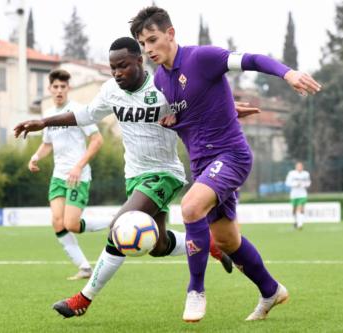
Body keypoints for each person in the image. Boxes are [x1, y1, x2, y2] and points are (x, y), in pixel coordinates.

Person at [14, 37, 259, 318]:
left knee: (121, 227)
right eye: (112, 68)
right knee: (157, 245)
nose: (117, 72)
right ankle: (209, 244)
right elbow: (84, 114)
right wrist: (43, 122)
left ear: (139, 61)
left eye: (123, 66)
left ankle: (84, 299)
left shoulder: (163, 87)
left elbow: (198, 103)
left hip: (165, 174)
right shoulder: (110, 91)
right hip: (135, 176)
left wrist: (231, 108)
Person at [129, 6, 321, 322]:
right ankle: (271, 290)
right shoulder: (161, 80)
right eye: (143, 44)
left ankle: (195, 291)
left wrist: (288, 73)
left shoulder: (202, 58)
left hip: (231, 156)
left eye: (152, 39)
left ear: (170, 34)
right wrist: (181, 119)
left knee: (190, 208)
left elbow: (251, 60)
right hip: (204, 166)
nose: (148, 49)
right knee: (227, 241)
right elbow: (195, 108)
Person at [30, 69, 106, 280]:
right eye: (55, 87)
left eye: (63, 87)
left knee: (72, 224)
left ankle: (112, 222)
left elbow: (97, 140)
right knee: (57, 221)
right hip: (58, 176)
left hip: (77, 176)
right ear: (50, 89)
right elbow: (47, 144)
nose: (59, 90)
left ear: (68, 88)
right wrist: (35, 157)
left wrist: (78, 166)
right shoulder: (47, 114)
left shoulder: (78, 111)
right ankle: (84, 267)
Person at [285, 161, 311, 229]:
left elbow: (308, 183)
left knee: (300, 208)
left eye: (301, 166)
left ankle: (300, 224)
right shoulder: (291, 173)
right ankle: (296, 222)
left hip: (302, 194)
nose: (299, 167)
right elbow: (287, 183)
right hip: (294, 194)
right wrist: (295, 184)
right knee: (294, 210)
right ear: (296, 167)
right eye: (298, 166)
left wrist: (304, 184)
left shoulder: (306, 174)